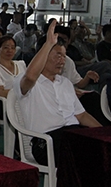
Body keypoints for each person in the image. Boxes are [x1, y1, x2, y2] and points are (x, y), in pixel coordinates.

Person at [15, 20, 101, 166]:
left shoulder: (65, 83)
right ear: (42, 55)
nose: (62, 60)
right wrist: (48, 43)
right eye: (57, 55)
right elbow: (30, 77)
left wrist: (106, 134)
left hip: (72, 134)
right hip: (46, 141)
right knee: (87, 153)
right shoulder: (26, 82)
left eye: (64, 56)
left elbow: (82, 115)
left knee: (103, 149)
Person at [0, 35, 27, 119]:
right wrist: (21, 92)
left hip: (21, 99)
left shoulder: (21, 64)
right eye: (6, 48)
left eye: (12, 48)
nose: (10, 50)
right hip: (1, 102)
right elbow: (0, 92)